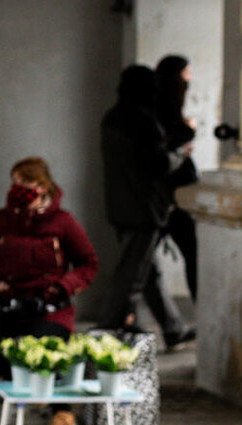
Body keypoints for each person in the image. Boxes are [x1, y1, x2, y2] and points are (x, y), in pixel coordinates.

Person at [0, 157, 99, 425]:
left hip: (49, 309)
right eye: (14, 183)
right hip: (9, 306)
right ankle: (30, 385)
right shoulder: (0, 221)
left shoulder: (62, 222)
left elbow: (88, 264)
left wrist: (63, 287)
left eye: (24, 183)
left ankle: (62, 413)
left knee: (47, 352)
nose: (18, 188)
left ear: (42, 185)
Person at [97, 65, 195, 349]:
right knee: (133, 274)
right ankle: (109, 327)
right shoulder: (141, 120)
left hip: (120, 206)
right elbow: (158, 164)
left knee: (147, 272)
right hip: (143, 208)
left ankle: (172, 326)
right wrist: (180, 152)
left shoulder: (113, 117)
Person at [156, 54, 198, 302]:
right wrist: (188, 130)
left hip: (170, 195)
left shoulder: (157, 107)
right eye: (186, 74)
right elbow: (172, 142)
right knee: (193, 254)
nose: (189, 79)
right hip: (172, 196)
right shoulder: (165, 108)